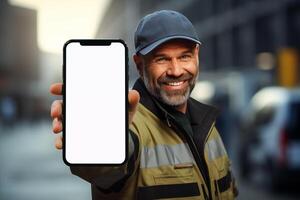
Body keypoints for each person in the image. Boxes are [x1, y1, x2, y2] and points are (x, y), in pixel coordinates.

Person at [50, 10, 238, 200]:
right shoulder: (129, 125)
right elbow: (103, 170)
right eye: (162, 59)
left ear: (196, 55)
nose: (176, 70)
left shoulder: (209, 126)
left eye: (184, 57)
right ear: (139, 64)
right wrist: (94, 134)